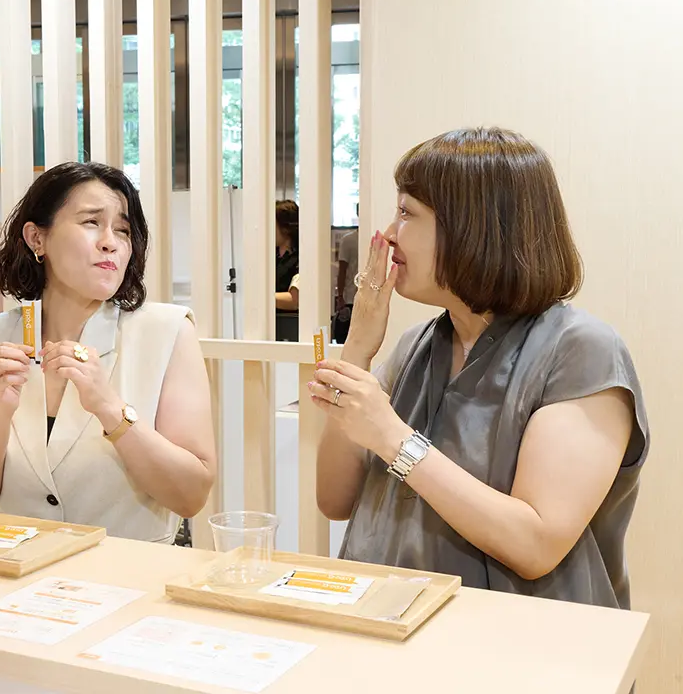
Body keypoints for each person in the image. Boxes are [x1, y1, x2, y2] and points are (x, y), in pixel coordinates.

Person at [310, 127, 648, 609]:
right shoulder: (416, 346)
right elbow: (334, 500)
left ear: (472, 230)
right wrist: (358, 351)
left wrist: (392, 437)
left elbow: (536, 544)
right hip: (393, 634)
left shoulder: (581, 351)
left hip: (526, 655)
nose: (387, 234)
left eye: (407, 212)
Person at [0, 161, 216, 542]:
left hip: (130, 579)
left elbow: (191, 496)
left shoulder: (167, 331)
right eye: (92, 222)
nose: (110, 241)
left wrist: (111, 410)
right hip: (20, 577)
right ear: (37, 239)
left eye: (122, 230)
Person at [274, 199, 300, 342]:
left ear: (285, 228)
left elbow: (294, 300)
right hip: (271, 326)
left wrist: (262, 298)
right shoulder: (270, 257)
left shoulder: (301, 258)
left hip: (291, 327)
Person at [333, 206, 359, 343]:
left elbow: (342, 270)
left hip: (352, 297)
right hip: (351, 298)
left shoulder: (349, 239)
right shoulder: (348, 240)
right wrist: (340, 296)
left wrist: (340, 297)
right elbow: (342, 270)